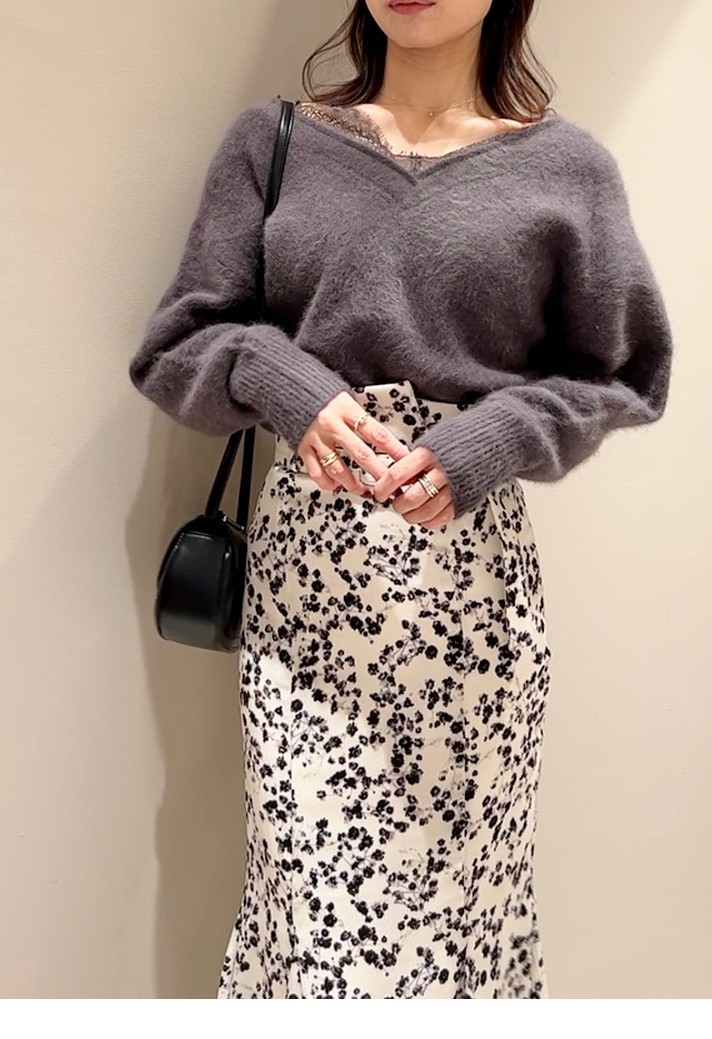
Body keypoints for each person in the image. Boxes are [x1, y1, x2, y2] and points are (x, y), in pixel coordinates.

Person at [128, 0, 673, 999]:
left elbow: (625, 373)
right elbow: (177, 347)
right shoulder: (275, 145)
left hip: (473, 614)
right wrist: (284, 382)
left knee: (461, 919)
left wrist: (494, 436)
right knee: (314, 921)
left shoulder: (568, 172)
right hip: (308, 608)